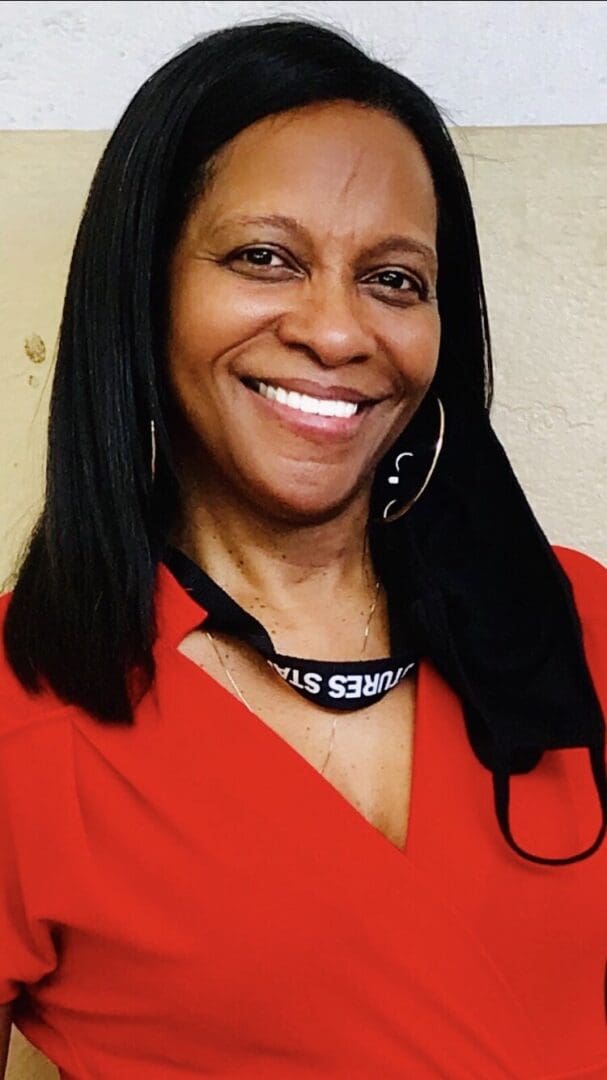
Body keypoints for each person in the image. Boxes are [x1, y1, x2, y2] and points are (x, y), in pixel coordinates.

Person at [1, 17, 606, 1080]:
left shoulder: (579, 620)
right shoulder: (25, 705)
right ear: (142, 294)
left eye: (394, 280)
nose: (337, 333)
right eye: (264, 257)